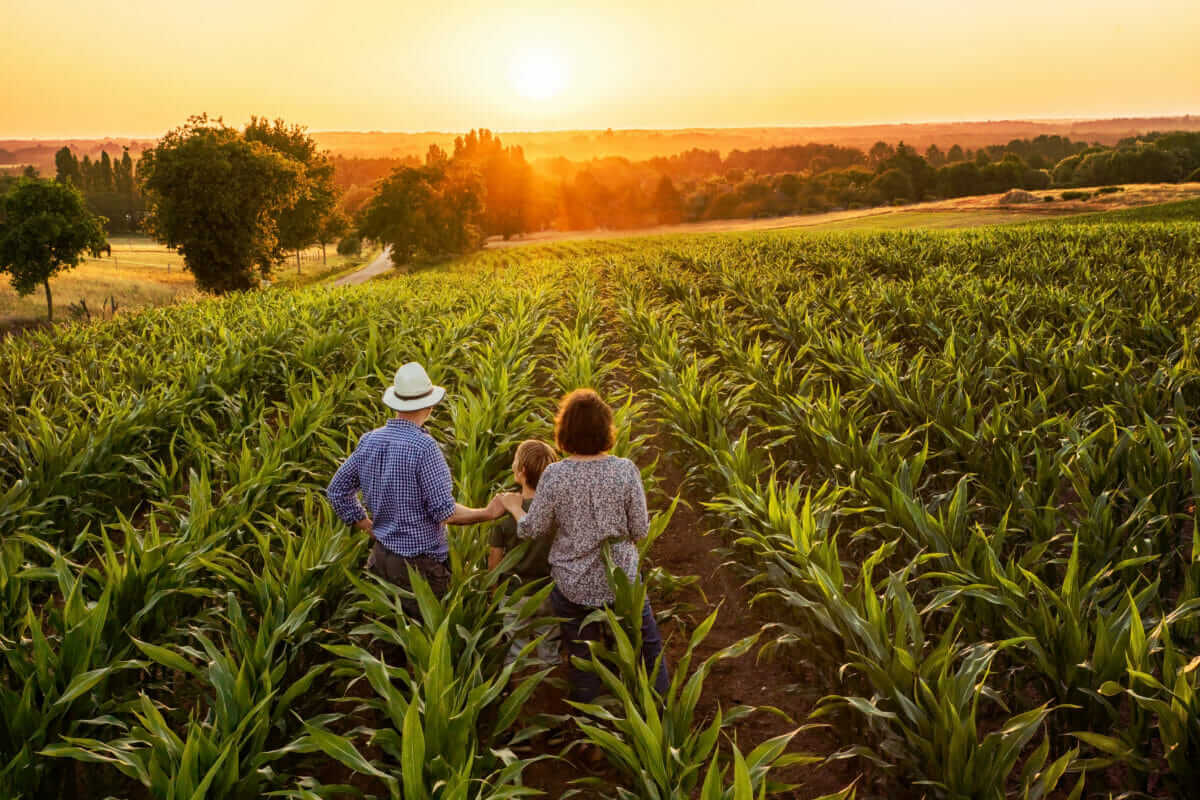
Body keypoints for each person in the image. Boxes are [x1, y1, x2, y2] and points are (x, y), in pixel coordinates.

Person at [497, 389, 669, 702]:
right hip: (621, 584)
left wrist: (514, 508)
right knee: (648, 644)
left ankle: (591, 725)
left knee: (581, 655)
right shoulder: (625, 470)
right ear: (606, 430)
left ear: (565, 432)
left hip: (572, 586)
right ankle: (659, 712)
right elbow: (640, 529)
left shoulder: (555, 475)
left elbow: (533, 529)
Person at [327, 362, 503, 614]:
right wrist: (487, 513)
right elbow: (446, 513)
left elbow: (336, 490)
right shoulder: (424, 448)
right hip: (419, 569)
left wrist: (366, 525)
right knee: (424, 644)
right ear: (429, 406)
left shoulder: (369, 440)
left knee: (387, 642)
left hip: (380, 558)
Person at [489, 439, 560, 662]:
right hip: (549, 592)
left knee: (515, 646)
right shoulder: (557, 511)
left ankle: (521, 688)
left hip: (514, 595)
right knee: (549, 643)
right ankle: (548, 687)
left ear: (520, 471)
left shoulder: (505, 515)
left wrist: (493, 593)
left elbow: (495, 564)